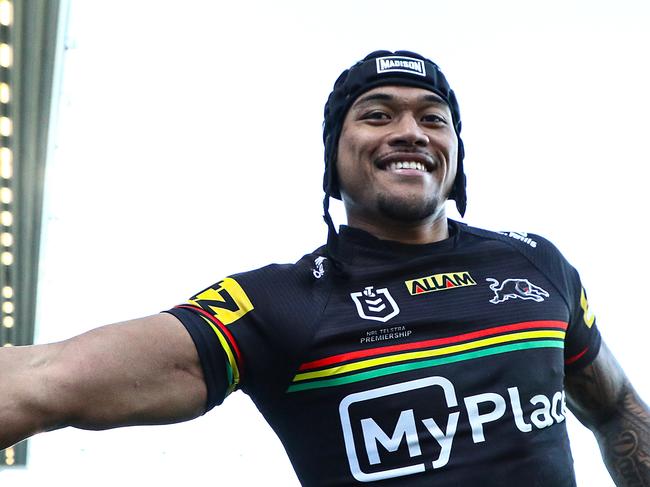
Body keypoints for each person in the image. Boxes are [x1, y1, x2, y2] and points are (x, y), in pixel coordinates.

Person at [1, 50, 648, 486]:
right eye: (377, 114)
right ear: (333, 160)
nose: (411, 131)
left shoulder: (537, 262)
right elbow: (46, 376)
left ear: (455, 152)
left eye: (433, 118)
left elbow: (616, 405)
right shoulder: (282, 301)